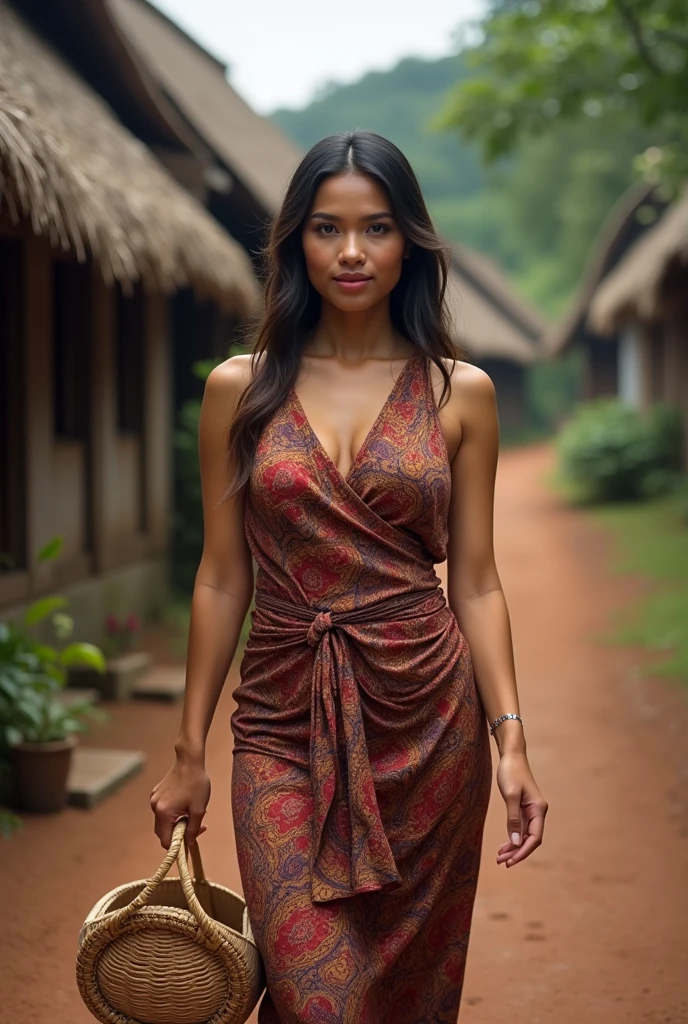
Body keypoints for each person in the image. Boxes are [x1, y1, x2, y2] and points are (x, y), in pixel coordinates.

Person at [151, 130, 548, 1023]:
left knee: (409, 991)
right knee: (313, 995)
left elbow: (477, 583)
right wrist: (187, 752)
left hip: (428, 725)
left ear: (410, 241)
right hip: (283, 719)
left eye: (376, 228)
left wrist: (510, 736)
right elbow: (222, 578)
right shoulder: (238, 390)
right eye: (328, 229)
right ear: (297, 243)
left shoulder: (461, 393)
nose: (353, 252)